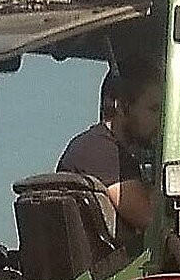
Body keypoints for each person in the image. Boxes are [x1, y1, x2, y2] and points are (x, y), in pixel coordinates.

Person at [57, 57, 164, 241]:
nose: (160, 120)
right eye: (153, 109)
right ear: (121, 106)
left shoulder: (89, 144)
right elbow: (151, 220)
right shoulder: (105, 153)